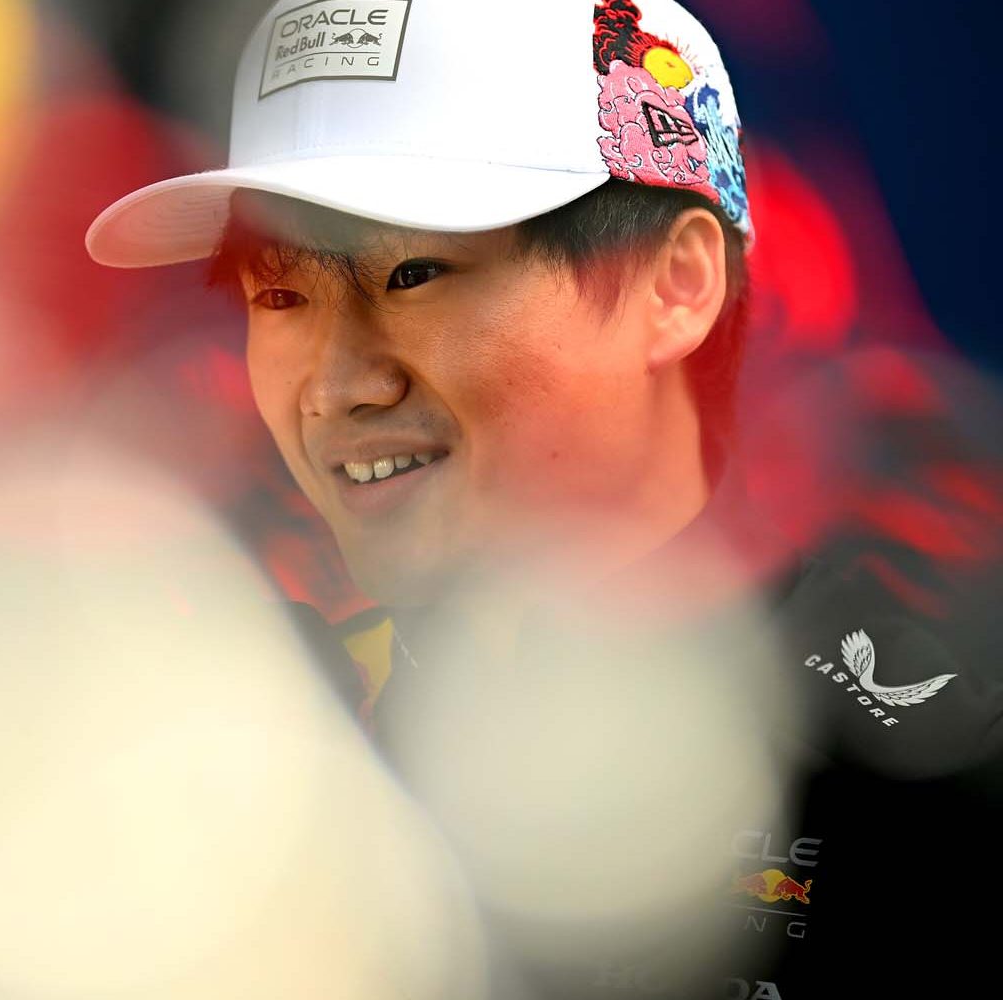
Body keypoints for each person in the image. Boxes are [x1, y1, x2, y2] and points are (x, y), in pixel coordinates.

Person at [86, 1, 1003, 996]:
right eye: (279, 295)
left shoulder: (917, 792)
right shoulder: (257, 781)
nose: (337, 381)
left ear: (677, 284)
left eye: (413, 272)